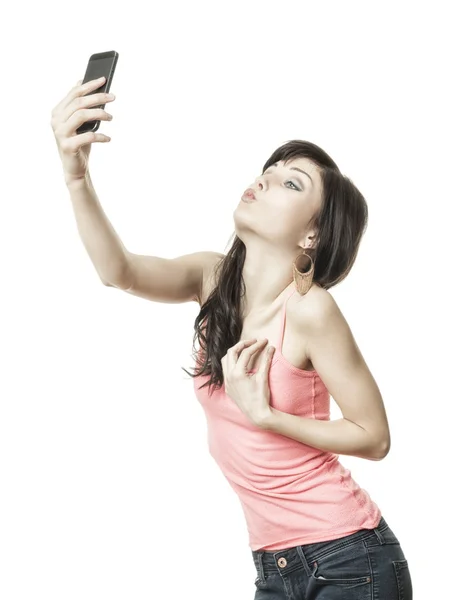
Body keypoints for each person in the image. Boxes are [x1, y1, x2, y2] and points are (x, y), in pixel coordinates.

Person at [51, 77, 413, 599]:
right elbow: (119, 271)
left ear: (313, 234)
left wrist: (267, 416)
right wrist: (76, 175)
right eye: (268, 173)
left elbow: (374, 436)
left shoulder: (310, 310)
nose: (265, 181)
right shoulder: (211, 279)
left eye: (292, 183)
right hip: (275, 566)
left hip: (349, 558)